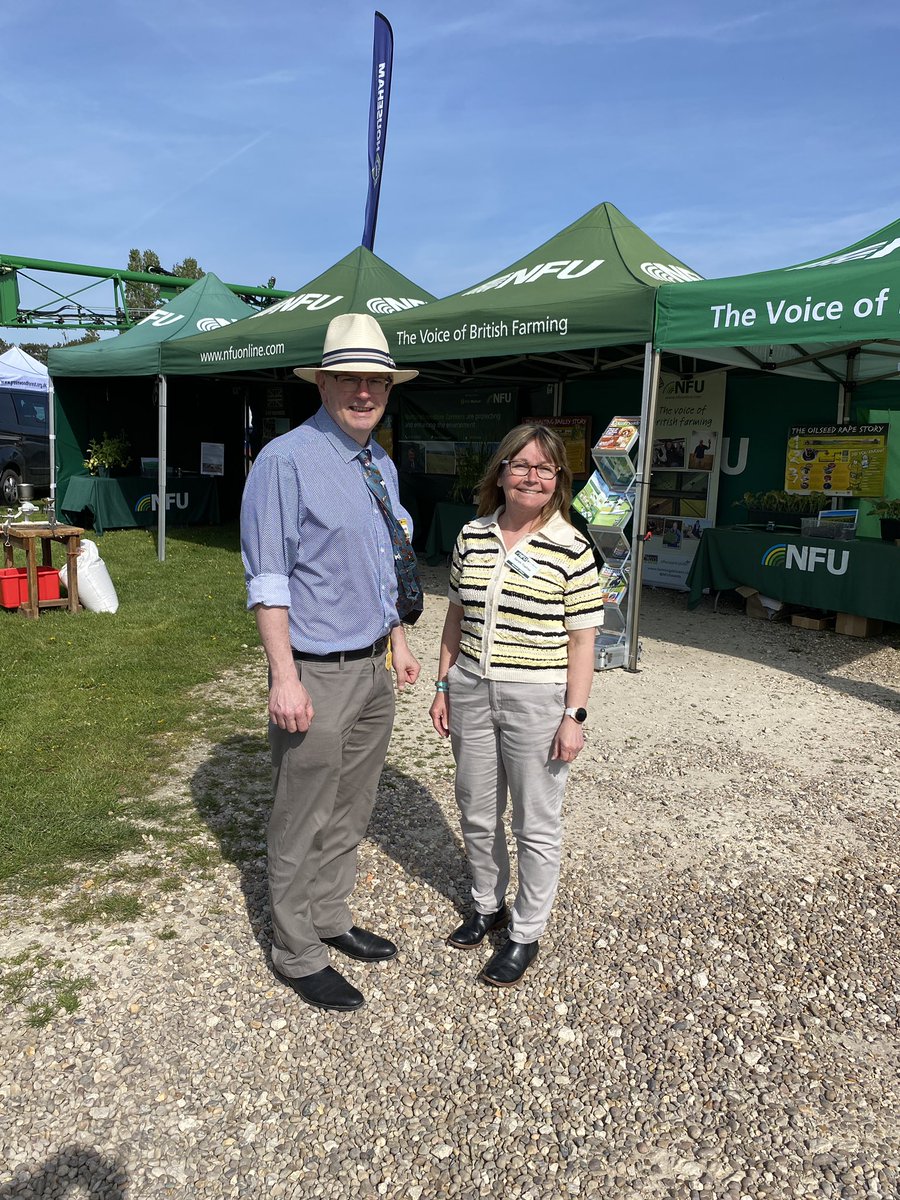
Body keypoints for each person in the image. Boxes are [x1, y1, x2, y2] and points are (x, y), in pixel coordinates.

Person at [240, 313, 422, 1013]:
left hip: (372, 665)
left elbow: (386, 560)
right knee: (302, 813)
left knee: (352, 805)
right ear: (322, 381)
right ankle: (296, 950)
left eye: (375, 378)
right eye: (349, 376)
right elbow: (270, 578)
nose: (363, 389)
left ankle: (329, 916)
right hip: (314, 668)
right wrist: (284, 676)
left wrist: (397, 640)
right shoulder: (286, 461)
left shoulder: (379, 461)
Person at [429, 424, 604, 986]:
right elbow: (456, 615)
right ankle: (487, 904)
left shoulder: (573, 548)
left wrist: (573, 716)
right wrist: (443, 684)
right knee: (477, 811)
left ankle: (525, 931)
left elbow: (582, 641)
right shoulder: (472, 535)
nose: (531, 476)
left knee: (536, 823)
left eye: (544, 468)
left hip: (538, 697)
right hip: (471, 688)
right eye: (521, 465)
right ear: (500, 473)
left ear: (558, 481)